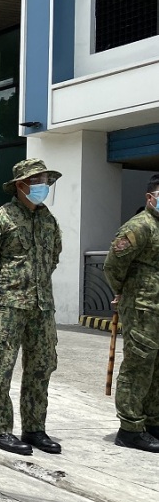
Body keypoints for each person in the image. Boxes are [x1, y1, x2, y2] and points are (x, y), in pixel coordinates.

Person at [0, 159, 63, 456]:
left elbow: (54, 257)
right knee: (0, 367)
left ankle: (35, 428)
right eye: (37, 180)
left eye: (46, 180)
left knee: (41, 367)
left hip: (41, 305)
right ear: (21, 185)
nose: (43, 186)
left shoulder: (48, 220)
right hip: (9, 305)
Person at [103, 174, 159, 452]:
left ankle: (153, 421)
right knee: (139, 365)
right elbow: (113, 266)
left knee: (156, 366)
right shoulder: (139, 226)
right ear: (151, 198)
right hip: (141, 307)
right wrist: (124, 293)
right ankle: (130, 428)